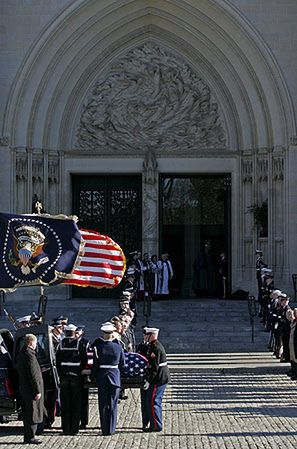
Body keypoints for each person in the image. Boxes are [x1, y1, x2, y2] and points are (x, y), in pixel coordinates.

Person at [92, 322, 125, 436]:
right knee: (113, 404)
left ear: (103, 334)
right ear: (112, 334)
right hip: (114, 377)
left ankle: (104, 429)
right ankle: (111, 428)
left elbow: (95, 365)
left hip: (102, 376)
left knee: (103, 404)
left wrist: (93, 375)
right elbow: (123, 364)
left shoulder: (98, 347)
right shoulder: (118, 347)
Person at [56, 324, 87, 435]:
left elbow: (57, 360)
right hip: (76, 375)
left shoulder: (60, 344)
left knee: (65, 402)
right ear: (74, 332)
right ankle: (74, 429)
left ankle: (65, 428)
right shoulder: (80, 344)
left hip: (64, 375)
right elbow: (84, 360)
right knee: (76, 402)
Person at [138, 327, 170, 432]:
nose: (144, 337)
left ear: (151, 336)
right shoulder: (151, 346)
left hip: (158, 378)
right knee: (152, 401)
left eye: (146, 335)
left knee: (153, 401)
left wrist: (149, 380)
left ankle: (156, 425)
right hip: (158, 377)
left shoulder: (155, 348)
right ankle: (154, 423)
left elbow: (154, 368)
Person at [16, 334, 44, 444]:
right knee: (32, 413)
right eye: (35, 342)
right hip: (31, 389)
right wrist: (37, 390)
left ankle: (28, 436)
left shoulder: (22, 353)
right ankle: (31, 436)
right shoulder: (30, 355)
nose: (36, 345)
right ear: (31, 342)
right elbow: (33, 374)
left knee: (28, 413)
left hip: (24, 387)